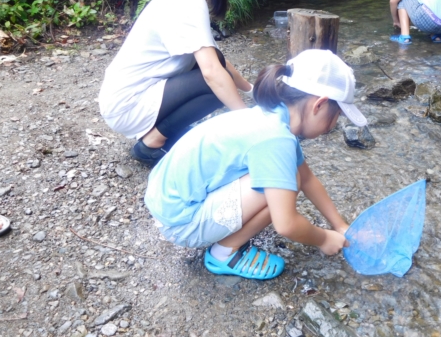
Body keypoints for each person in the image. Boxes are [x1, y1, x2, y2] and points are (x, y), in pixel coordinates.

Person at [144, 49, 366, 280]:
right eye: (337, 115)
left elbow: (308, 179)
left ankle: (223, 236)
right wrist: (324, 238)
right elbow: (286, 224)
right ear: (318, 105)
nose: (333, 125)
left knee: (290, 179)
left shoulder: (271, 117)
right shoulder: (276, 139)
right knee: (286, 185)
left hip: (165, 200)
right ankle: (222, 254)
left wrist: (340, 226)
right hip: (181, 223)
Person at [98, 0, 254, 166]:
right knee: (216, 84)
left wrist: (251, 90)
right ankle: (151, 143)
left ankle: (160, 133)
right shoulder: (188, 1)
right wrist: (251, 125)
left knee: (219, 70)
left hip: (129, 97)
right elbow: (212, 74)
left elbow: (218, 62)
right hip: (127, 104)